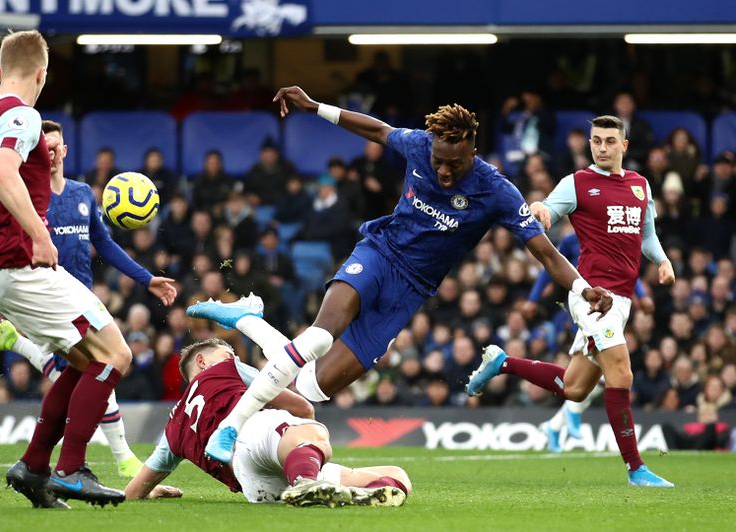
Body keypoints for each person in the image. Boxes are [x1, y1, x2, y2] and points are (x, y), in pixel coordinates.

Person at [187, 85, 612, 465]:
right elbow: (376, 130)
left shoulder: (496, 191)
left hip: (410, 290)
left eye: (455, 165)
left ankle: (248, 320)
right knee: (320, 335)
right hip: (379, 253)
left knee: (309, 389)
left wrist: (582, 287)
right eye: (439, 161)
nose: (444, 171)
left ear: (472, 151)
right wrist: (315, 106)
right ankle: (231, 427)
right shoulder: (418, 145)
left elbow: (545, 252)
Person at [0, 118, 176, 478]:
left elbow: (104, 244)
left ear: (65, 150)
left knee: (87, 369)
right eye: (44, 146)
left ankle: (42, 462)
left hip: (79, 298)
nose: (52, 151)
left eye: (56, 145)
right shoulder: (25, 193)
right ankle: (104, 463)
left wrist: (146, 278)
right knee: (104, 365)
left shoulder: (81, 193)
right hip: (44, 297)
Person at [0, 30, 134, 508]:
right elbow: (0, 172)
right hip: (20, 262)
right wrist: (37, 231)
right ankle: (71, 469)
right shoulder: (23, 114)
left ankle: (34, 467)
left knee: (83, 360)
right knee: (115, 356)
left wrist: (0, 220)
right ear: (42, 73)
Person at [466, 115, 676, 488]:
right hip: (593, 297)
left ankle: (503, 362)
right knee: (622, 374)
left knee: (575, 388)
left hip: (622, 300)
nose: (602, 147)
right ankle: (636, 468)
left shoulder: (640, 187)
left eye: (610, 141)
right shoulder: (578, 183)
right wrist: (541, 211)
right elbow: (547, 208)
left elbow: (646, 236)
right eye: (597, 140)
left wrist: (662, 261)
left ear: (624, 146)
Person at [124, 335, 412, 507]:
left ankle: (325, 489)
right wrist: (301, 438)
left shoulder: (173, 426)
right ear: (202, 362)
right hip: (257, 438)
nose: (233, 355)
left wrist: (152, 491)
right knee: (311, 430)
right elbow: (302, 407)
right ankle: (305, 481)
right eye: (228, 352)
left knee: (395, 477)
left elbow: (133, 493)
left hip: (255, 487)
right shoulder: (227, 367)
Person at [523, 227, 654, 453]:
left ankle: (556, 424)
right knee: (610, 369)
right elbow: (550, 266)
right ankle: (569, 414)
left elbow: (627, 269)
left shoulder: (611, 237)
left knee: (591, 376)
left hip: (611, 305)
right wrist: (534, 299)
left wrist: (642, 295)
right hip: (587, 306)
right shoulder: (571, 241)